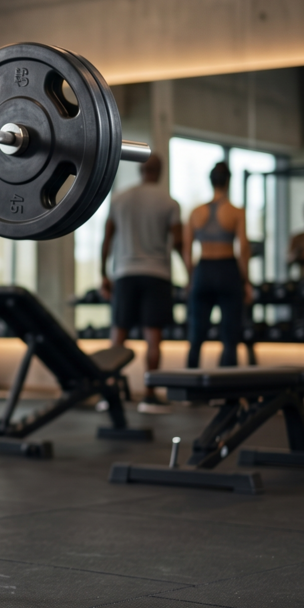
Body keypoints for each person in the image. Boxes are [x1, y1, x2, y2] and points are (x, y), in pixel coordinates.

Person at [99, 154, 182, 413]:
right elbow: (179, 243)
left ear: (140, 170)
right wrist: (191, 272)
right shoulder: (169, 202)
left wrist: (102, 274)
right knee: (153, 337)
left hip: (125, 272)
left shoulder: (120, 198)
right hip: (156, 274)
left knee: (119, 335)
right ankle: (149, 395)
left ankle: (109, 393)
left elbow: (107, 239)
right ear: (160, 171)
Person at [183, 162, 253, 368]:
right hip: (227, 269)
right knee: (230, 336)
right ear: (228, 182)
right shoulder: (236, 212)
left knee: (196, 334)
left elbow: (187, 251)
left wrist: (191, 278)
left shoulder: (196, 212)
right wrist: (246, 281)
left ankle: (190, 392)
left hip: (203, 270)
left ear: (210, 181)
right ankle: (226, 392)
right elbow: (244, 249)